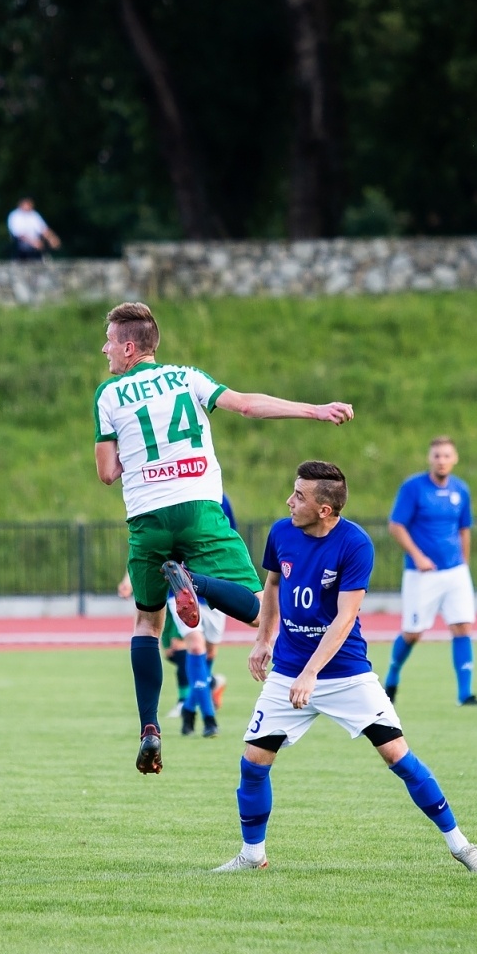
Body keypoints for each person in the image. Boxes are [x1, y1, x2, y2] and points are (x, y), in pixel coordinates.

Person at [93, 302, 354, 774]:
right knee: (262, 609)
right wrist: (315, 410)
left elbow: (108, 472)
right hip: (199, 509)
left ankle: (150, 727)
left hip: (148, 517)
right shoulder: (188, 378)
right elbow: (248, 405)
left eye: (109, 340)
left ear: (129, 347)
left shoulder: (109, 393)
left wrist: (141, 459)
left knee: (147, 626)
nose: (104, 348)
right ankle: (197, 583)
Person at [213, 461, 477, 874]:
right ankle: (252, 854)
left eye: (299, 496)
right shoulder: (280, 532)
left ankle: (460, 845)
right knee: (253, 762)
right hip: (288, 670)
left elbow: (345, 619)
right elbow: (272, 585)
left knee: (398, 756)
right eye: (293, 492)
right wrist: (263, 639)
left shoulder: (355, 544)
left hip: (345, 673)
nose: (289, 501)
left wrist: (311, 672)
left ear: (325, 509)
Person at [118, 494, 238, 737]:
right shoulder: (166, 495)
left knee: (209, 655)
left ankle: (189, 709)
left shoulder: (218, 498)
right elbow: (149, 548)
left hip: (212, 587)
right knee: (195, 648)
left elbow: (229, 540)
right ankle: (209, 719)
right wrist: (128, 578)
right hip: (181, 590)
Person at [383, 437, 477, 706]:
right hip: (421, 574)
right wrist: (418, 556)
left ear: (455, 458)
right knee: (413, 633)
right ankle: (392, 677)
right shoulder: (414, 488)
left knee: (462, 626)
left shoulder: (461, 489)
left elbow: (464, 529)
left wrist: (464, 564)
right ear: (430, 458)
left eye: (447, 455)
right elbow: (396, 525)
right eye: (437, 455)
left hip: (455, 572)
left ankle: (466, 694)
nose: (442, 460)